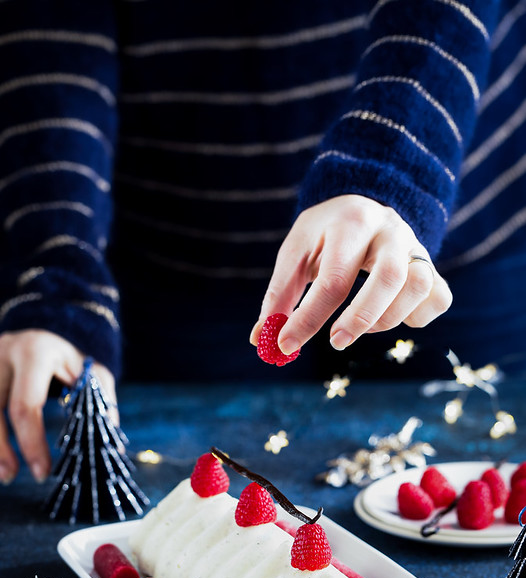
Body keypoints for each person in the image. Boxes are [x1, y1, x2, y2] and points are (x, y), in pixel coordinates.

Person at [0, 0, 524, 486]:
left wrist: (387, 171)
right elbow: (52, 32)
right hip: (185, 249)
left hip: (454, 215)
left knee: (478, 485)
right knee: (215, 501)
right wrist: (58, 265)